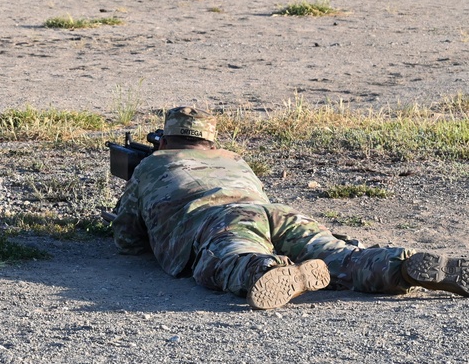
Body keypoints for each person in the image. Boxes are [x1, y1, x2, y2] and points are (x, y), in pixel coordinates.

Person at [112, 106, 469, 310]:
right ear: (209, 139)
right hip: (274, 211)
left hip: (216, 219)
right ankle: (403, 267)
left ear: (166, 137)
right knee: (338, 254)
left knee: (231, 258)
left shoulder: (152, 166)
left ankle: (266, 270)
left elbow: (128, 238)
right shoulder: (235, 160)